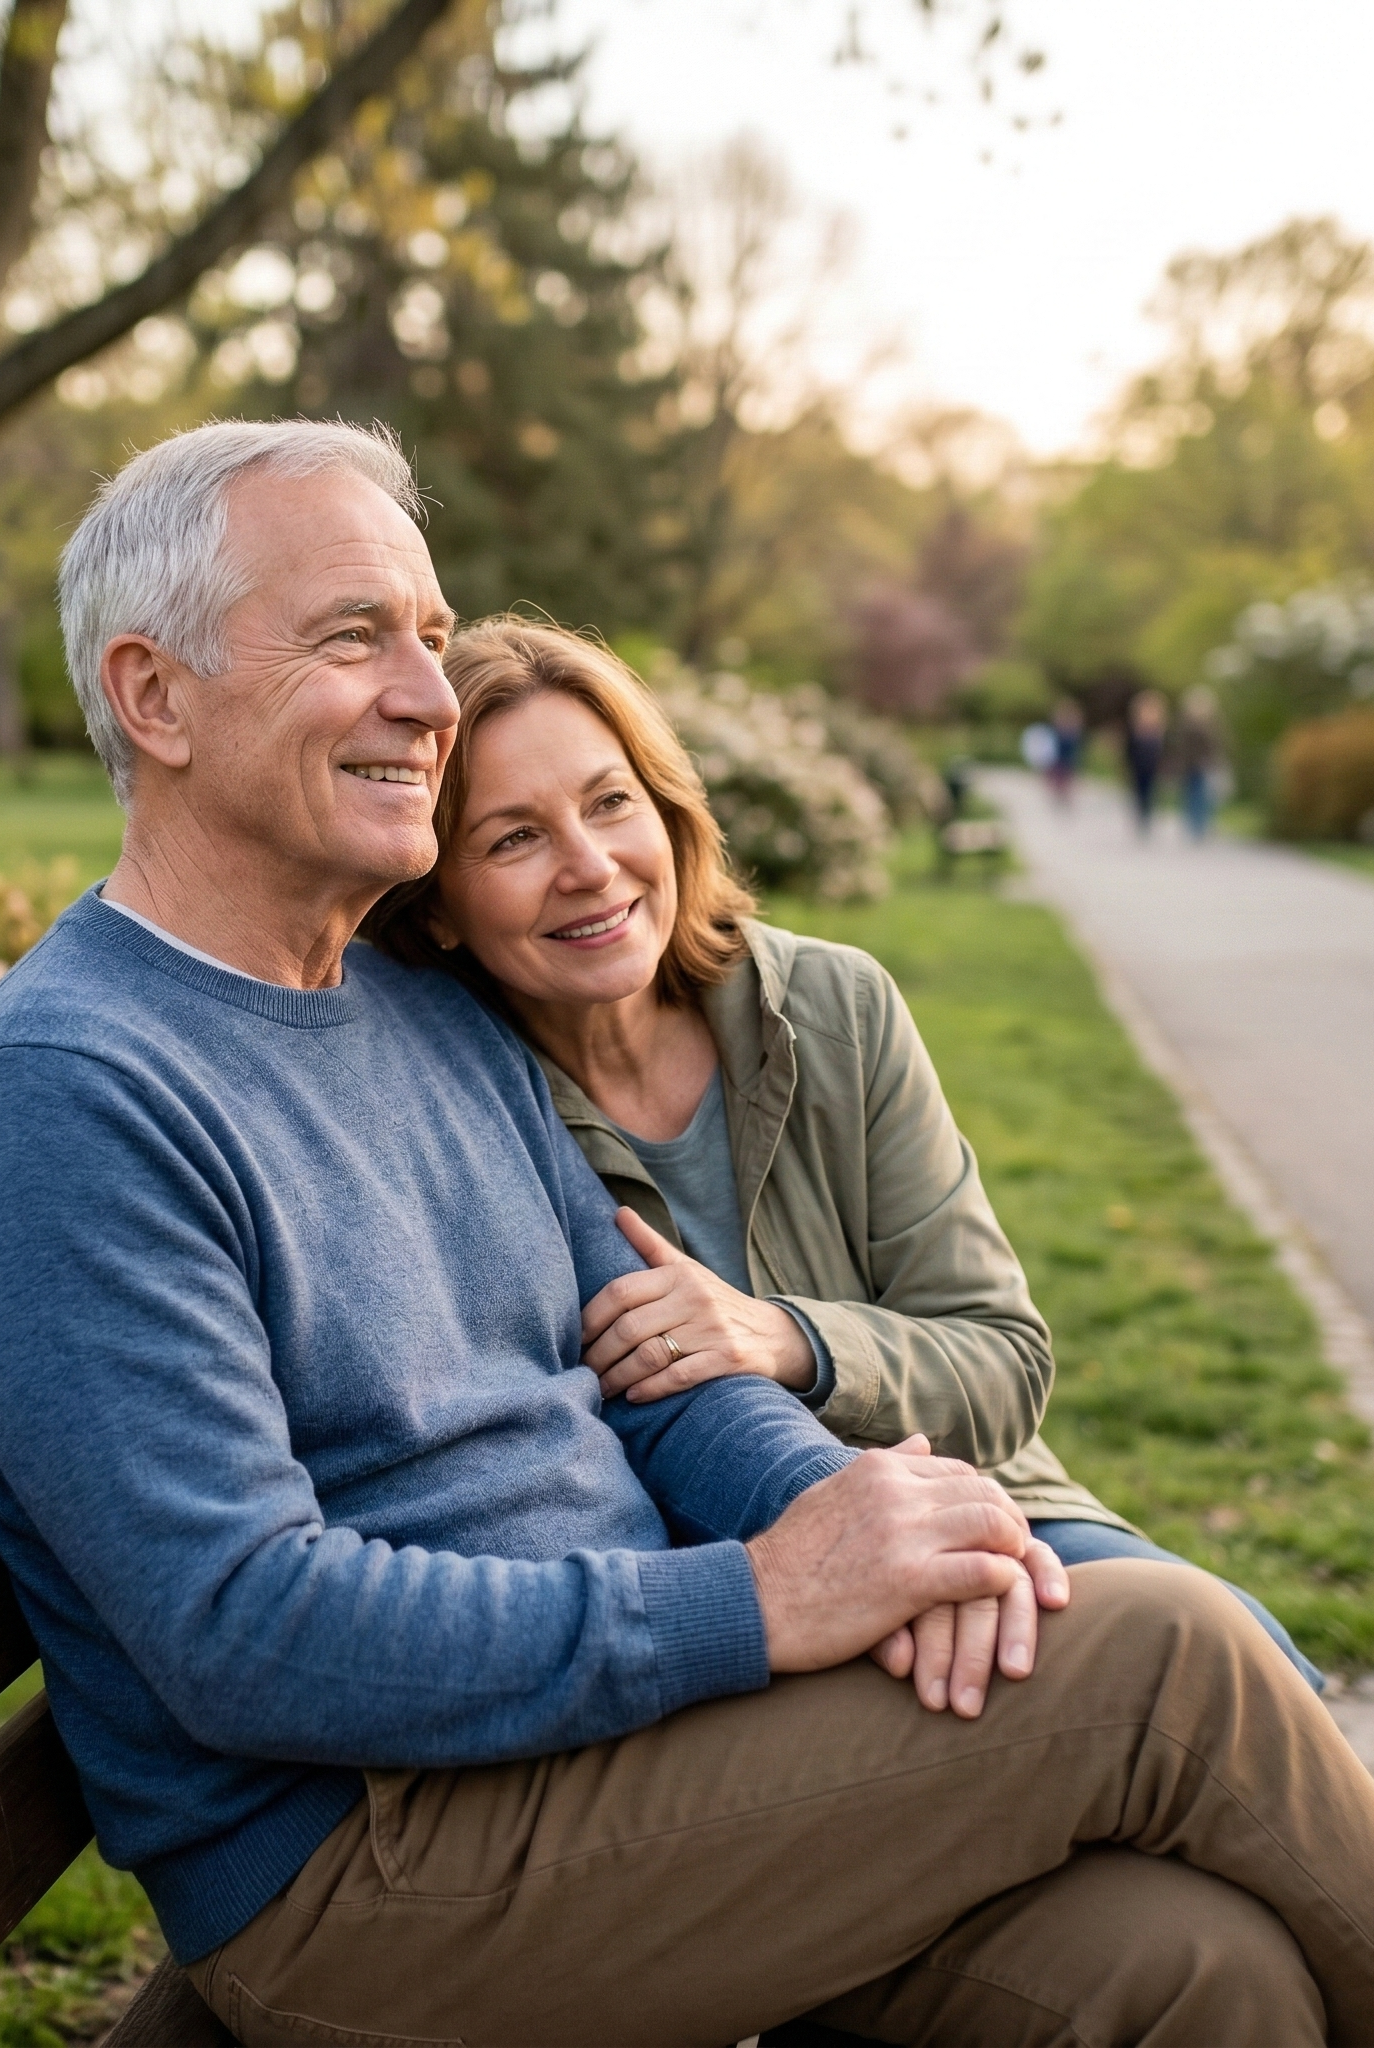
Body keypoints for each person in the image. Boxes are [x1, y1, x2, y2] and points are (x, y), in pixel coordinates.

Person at [0, 419, 1374, 2048]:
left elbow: (666, 1372)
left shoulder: (429, 1020)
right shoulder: (73, 1089)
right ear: (152, 694)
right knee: (1168, 1654)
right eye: (353, 636)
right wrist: (757, 1598)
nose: (426, 692)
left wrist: (871, 1532)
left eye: (425, 631)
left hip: (613, 1764)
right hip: (369, 1866)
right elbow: (242, 1630)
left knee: (1183, 1965)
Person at [366, 618, 1322, 1696]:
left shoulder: (833, 1005)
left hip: (976, 1497)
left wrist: (785, 1336)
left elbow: (1003, 1360)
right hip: (733, 1581)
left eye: (607, 801)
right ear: (438, 906)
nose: (589, 868)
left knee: (1237, 1653)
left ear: (666, 808)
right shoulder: (451, 1100)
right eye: (512, 839)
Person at [1177, 685, 1226, 841]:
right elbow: (1183, 748)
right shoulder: (1187, 726)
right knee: (1192, 796)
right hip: (1190, 767)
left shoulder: (1212, 726)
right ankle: (1193, 825)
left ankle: (1201, 825)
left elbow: (1216, 746)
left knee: (1204, 797)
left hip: (1205, 767)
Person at [1125, 688, 1169, 833]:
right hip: (1138, 766)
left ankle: (1147, 816)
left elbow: (1163, 751)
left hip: (1153, 767)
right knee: (1139, 792)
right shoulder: (1136, 731)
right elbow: (1129, 750)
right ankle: (1141, 816)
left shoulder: (1159, 731)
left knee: (1150, 793)